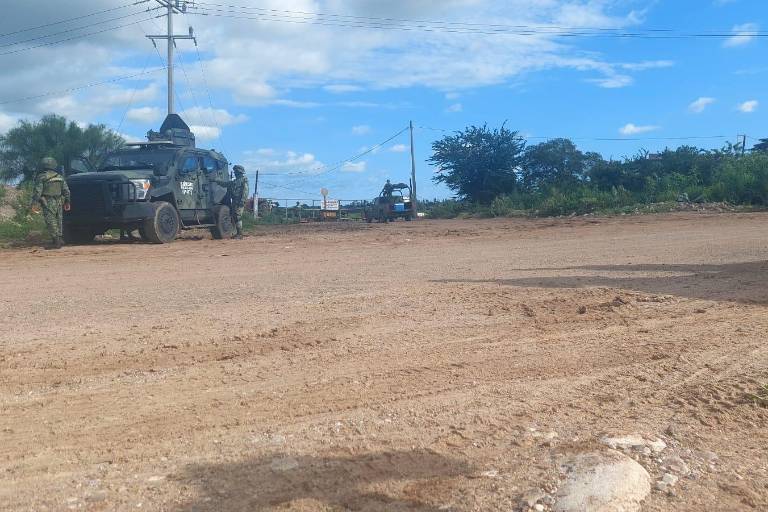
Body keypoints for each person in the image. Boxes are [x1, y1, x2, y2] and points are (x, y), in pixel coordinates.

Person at [30, 157, 70, 249]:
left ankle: (56, 241)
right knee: (58, 220)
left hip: (47, 201)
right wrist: (67, 201)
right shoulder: (60, 177)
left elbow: (37, 191)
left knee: (50, 221)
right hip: (59, 200)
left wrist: (34, 202)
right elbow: (66, 191)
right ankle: (58, 238)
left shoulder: (41, 176)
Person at [215, 164, 249, 239]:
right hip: (234, 201)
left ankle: (240, 234)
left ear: (239, 172)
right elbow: (225, 184)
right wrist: (217, 181)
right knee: (234, 216)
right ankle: (237, 233)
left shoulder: (244, 180)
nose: (235, 173)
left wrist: (242, 201)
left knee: (237, 216)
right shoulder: (234, 181)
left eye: (235, 172)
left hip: (239, 201)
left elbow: (245, 192)